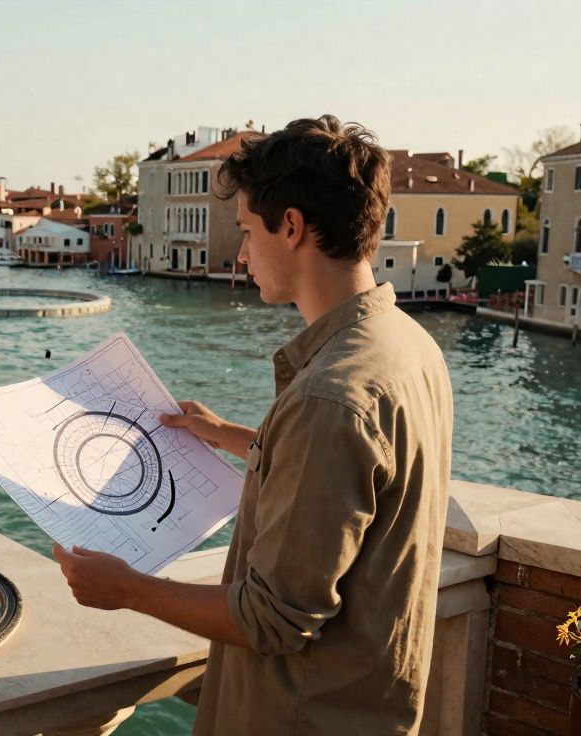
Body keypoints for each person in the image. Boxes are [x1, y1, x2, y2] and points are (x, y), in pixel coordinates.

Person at [51, 116, 453, 735]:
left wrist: (126, 587)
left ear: (290, 227)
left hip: (298, 719)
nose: (239, 253)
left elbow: (272, 619)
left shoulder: (328, 398)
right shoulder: (408, 346)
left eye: (244, 230)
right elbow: (350, 482)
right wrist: (227, 434)